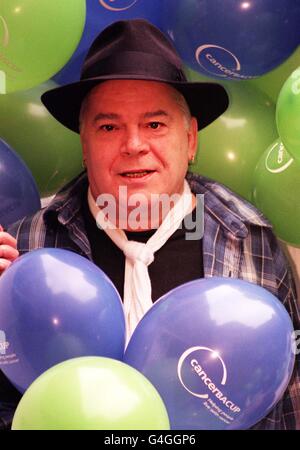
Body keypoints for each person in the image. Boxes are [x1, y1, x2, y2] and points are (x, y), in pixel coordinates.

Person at [0, 19, 299, 430]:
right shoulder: (25, 248)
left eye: (155, 124)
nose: (134, 145)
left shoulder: (250, 239)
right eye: (109, 127)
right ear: (84, 146)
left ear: (191, 139)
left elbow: (285, 413)